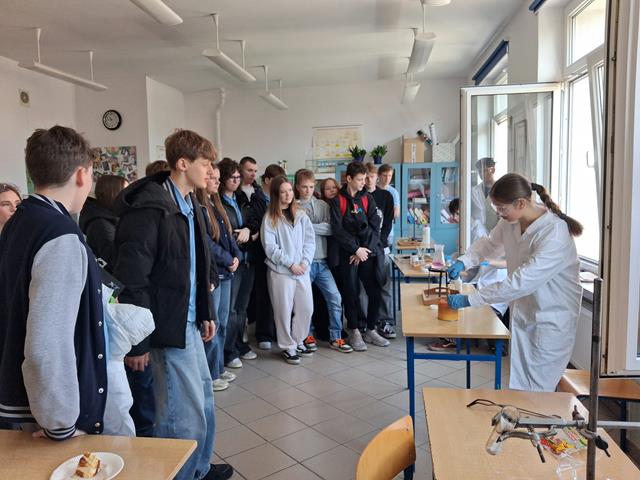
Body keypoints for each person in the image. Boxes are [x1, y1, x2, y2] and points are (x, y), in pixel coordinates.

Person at [113, 130, 232, 480]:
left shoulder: (190, 203)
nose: (211, 171)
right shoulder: (151, 207)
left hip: (190, 321)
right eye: (205, 164)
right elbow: (132, 276)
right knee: (181, 415)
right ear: (182, 163)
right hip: (166, 326)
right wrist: (138, 343)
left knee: (204, 400)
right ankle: (181, 475)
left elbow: (198, 265)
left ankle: (199, 468)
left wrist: (206, 312)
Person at [0, 126, 107, 439]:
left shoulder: (21, 220)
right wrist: (59, 423)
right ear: (81, 174)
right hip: (51, 412)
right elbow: (47, 344)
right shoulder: (59, 234)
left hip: (29, 399)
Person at [447, 173, 583, 392]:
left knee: (539, 389)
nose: (498, 213)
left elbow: (521, 282)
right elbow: (490, 245)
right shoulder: (510, 221)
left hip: (550, 318)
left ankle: (537, 414)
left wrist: (472, 299)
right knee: (523, 386)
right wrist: (465, 261)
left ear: (521, 203)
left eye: (502, 208)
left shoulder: (553, 233)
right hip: (525, 311)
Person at [330, 161, 388, 351]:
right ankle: (354, 330)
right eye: (360, 179)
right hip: (348, 254)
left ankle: (371, 329)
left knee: (375, 290)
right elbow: (338, 230)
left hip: (368, 252)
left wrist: (363, 249)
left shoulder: (367, 198)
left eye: (365, 178)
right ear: (349, 179)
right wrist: (355, 250)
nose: (364, 182)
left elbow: (375, 226)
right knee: (351, 292)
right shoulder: (338, 201)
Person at [295, 169, 353, 353]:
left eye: (311, 187)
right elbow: (294, 232)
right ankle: (306, 334)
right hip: (303, 264)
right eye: (304, 187)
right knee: (305, 302)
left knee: (335, 298)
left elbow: (330, 229)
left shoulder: (323, 205)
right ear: (297, 187)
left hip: (322, 262)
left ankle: (335, 337)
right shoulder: (293, 206)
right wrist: (311, 227)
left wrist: (306, 225)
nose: (308, 190)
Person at [197, 164, 241, 392]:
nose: (217, 182)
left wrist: (237, 256)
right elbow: (207, 242)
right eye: (212, 178)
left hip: (227, 271)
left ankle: (219, 365)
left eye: (217, 178)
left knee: (223, 322)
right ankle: (210, 373)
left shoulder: (216, 204)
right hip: (216, 272)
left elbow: (229, 235)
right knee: (212, 325)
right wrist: (227, 258)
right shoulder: (200, 207)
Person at [261, 176, 316, 364]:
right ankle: (287, 346)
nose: (288, 195)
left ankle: (298, 340)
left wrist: (305, 262)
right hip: (281, 272)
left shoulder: (301, 214)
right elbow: (270, 248)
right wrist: (290, 264)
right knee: (283, 311)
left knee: (307, 308)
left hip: (302, 270)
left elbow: (310, 241)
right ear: (276, 194)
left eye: (290, 191)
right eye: (283, 192)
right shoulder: (270, 218)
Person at [218, 158, 257, 369]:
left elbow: (253, 221)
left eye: (238, 177)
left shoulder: (241, 197)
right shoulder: (218, 202)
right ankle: (229, 350)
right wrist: (238, 236)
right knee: (230, 310)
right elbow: (221, 234)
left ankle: (240, 345)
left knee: (242, 307)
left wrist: (249, 230)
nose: (236, 181)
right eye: (232, 177)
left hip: (248, 258)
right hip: (232, 261)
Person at [245, 164, 286, 350]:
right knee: (264, 294)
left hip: (282, 254)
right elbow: (255, 222)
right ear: (267, 180)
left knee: (281, 295)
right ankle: (264, 333)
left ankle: (279, 331)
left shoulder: (282, 199)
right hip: (262, 253)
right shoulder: (257, 198)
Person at [362, 163, 396, 339]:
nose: (369, 180)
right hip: (363, 251)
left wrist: (377, 245)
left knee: (384, 286)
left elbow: (387, 224)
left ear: (377, 177)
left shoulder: (386, 196)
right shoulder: (358, 197)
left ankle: (385, 321)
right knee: (363, 289)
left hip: (382, 249)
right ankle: (366, 324)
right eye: (366, 177)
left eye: (372, 176)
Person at [79, 174, 128, 273]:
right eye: (125, 191)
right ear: (113, 193)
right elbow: (115, 262)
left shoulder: (110, 217)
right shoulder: (101, 225)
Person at [377, 164, 400, 240]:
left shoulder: (393, 192)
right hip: (373, 231)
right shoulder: (373, 189)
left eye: (390, 176)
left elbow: (396, 213)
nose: (387, 178)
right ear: (379, 175)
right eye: (384, 175)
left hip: (388, 232)